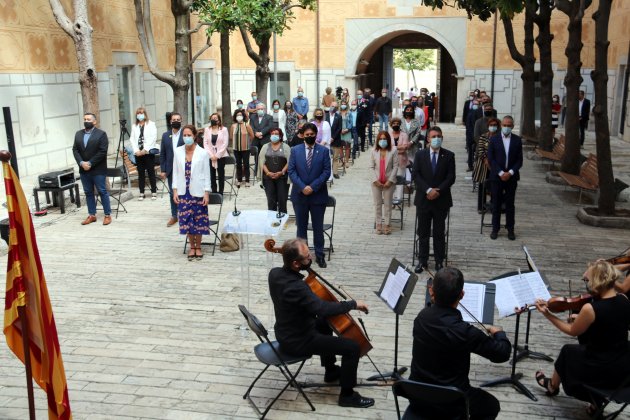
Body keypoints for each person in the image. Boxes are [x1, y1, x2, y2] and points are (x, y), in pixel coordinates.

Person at [268, 238, 374, 408]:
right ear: (295, 264)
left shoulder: (274, 274)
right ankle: (347, 396)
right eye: (307, 258)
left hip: (285, 331)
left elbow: (317, 310)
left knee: (324, 323)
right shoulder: (297, 287)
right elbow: (322, 308)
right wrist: (353, 304)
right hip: (299, 340)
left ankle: (331, 370)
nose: (310, 259)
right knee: (352, 348)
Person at [409, 267, 511, 420]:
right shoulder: (466, 333)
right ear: (462, 295)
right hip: (451, 401)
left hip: (417, 394)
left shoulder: (421, 318)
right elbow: (502, 354)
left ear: (431, 292)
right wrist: (499, 333)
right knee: (491, 406)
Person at [534, 260, 630, 414]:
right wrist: (583, 319)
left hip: (601, 368)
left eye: (588, 280)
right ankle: (595, 404)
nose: (587, 283)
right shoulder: (624, 300)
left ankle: (552, 386)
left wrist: (547, 314)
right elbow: (611, 322)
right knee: (582, 345)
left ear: (598, 281)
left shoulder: (590, 308)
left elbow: (572, 331)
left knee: (568, 351)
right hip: (623, 369)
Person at [288, 122, 331, 268]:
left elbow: (326, 172)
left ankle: (319, 255)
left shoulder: (323, 151)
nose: (310, 137)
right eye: (307, 135)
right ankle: (302, 256)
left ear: (316, 135)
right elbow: (292, 171)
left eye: (312, 135)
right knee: (301, 227)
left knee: (318, 227)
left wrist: (312, 187)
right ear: (303, 136)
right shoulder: (295, 150)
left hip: (317, 195)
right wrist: (302, 187)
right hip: (300, 195)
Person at [413, 126, 455, 273]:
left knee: (439, 232)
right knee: (423, 232)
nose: (437, 138)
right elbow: (416, 175)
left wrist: (438, 190)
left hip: (441, 200)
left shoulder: (449, 156)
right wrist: (428, 190)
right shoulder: (420, 155)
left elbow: (451, 177)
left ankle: (439, 261)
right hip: (424, 199)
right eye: (434, 136)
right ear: (428, 139)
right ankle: (422, 261)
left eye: (439, 136)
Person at [172, 125, 211, 261]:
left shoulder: (203, 153)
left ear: (194, 136)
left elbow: (207, 174)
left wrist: (206, 193)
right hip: (184, 190)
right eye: (185, 135)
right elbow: (175, 173)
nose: (186, 138)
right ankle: (191, 246)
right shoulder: (177, 152)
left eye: (189, 135)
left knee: (199, 219)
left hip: (198, 190)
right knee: (187, 219)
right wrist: (175, 190)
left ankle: (198, 246)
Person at [72, 112, 112, 226]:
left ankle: (107, 215)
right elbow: (75, 150)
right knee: (88, 192)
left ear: (94, 121)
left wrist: (90, 163)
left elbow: (102, 151)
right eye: (85, 119)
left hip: (97, 169)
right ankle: (92, 215)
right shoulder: (78, 134)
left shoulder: (101, 134)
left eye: (89, 119)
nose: (86, 121)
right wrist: (81, 163)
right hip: (84, 170)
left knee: (102, 191)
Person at [487, 115, 523, 241]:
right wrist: (501, 173)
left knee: (510, 204)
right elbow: (491, 159)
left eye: (509, 125)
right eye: (504, 125)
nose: (506, 127)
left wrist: (510, 172)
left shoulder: (517, 140)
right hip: (497, 177)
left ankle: (510, 229)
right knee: (496, 203)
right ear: (501, 125)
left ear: (512, 126)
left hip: (511, 178)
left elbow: (520, 160)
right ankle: (495, 229)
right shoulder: (494, 139)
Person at [370, 131, 398, 235]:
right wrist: (375, 180)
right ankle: (378, 224)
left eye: (384, 139)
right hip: (376, 182)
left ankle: (387, 224)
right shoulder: (373, 151)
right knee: (377, 204)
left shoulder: (393, 150)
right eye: (380, 139)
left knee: (387, 204)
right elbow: (371, 167)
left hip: (388, 182)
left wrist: (390, 181)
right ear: (377, 141)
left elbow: (395, 166)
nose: (383, 141)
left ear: (388, 140)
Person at [258, 128, 291, 214]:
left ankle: (282, 220)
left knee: (282, 200)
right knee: (271, 201)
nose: (274, 135)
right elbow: (261, 161)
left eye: (276, 134)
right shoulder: (265, 147)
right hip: (268, 178)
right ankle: (272, 223)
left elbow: (290, 162)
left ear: (280, 136)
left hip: (282, 177)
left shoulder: (286, 147)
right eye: (272, 133)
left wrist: (282, 172)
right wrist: (268, 173)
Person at [160, 112, 184, 227]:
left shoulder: (185, 134)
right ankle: (174, 215)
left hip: (184, 168)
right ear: (170, 121)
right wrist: (163, 170)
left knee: (183, 191)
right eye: (174, 119)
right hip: (170, 169)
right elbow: (163, 154)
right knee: (172, 193)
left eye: (178, 119)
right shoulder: (165, 135)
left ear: (181, 121)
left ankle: (184, 213)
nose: (176, 121)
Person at [130, 107, 159, 200]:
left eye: (141, 113)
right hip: (138, 153)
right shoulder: (134, 126)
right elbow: (132, 139)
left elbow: (153, 137)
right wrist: (136, 150)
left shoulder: (151, 124)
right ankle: (141, 192)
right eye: (138, 113)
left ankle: (154, 191)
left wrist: (145, 150)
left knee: (151, 172)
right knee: (141, 173)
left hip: (148, 153)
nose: (140, 115)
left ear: (145, 114)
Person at [473, 118, 499, 213]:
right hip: (483, 165)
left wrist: (493, 163)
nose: (493, 127)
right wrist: (486, 161)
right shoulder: (483, 137)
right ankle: (481, 207)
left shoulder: (499, 137)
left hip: (495, 165)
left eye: (494, 125)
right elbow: (480, 150)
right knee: (482, 186)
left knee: (494, 186)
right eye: (491, 125)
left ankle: (493, 206)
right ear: (488, 126)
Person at [203, 113, 229, 195]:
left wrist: (217, 155)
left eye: (216, 118)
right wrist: (211, 155)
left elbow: (225, 143)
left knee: (221, 174)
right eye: (212, 118)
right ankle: (214, 191)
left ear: (219, 120)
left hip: (221, 156)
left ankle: (221, 192)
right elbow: (205, 143)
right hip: (210, 156)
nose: (214, 120)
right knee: (211, 174)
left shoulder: (224, 129)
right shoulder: (207, 129)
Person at [230, 108, 254, 187]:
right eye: (237, 115)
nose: (239, 116)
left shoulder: (247, 125)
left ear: (243, 116)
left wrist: (246, 142)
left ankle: (247, 180)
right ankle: (239, 179)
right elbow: (231, 137)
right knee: (238, 164)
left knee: (246, 164)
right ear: (235, 117)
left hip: (246, 149)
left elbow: (252, 136)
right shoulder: (233, 126)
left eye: (240, 115)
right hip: (236, 149)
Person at [388, 117, 410, 200]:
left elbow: (405, 148)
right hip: (390, 161)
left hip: (402, 160)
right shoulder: (388, 135)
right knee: (392, 179)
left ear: (400, 125)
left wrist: (394, 148)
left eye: (397, 123)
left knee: (400, 180)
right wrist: (399, 148)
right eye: (394, 123)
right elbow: (387, 148)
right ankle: (392, 199)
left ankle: (399, 198)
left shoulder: (404, 135)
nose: (396, 125)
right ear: (391, 125)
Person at [250, 103, 274, 175]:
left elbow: (269, 127)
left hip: (265, 139)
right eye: (258, 109)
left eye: (261, 109)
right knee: (256, 156)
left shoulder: (269, 117)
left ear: (264, 109)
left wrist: (261, 133)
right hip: (256, 140)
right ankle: (257, 171)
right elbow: (251, 127)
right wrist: (256, 133)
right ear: (256, 110)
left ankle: (265, 171)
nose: (260, 110)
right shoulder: (252, 117)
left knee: (265, 156)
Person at [472, 102, 495, 172]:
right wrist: (485, 145)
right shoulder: (478, 122)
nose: (488, 111)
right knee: (480, 171)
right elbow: (476, 136)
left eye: (489, 109)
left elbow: (499, 135)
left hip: (494, 149)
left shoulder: (497, 122)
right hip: (481, 149)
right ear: (484, 110)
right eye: (486, 109)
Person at [327, 101, 343, 178]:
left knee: (335, 157)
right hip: (326, 140)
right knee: (327, 158)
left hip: (336, 140)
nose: (333, 107)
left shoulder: (339, 116)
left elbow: (339, 128)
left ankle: (335, 172)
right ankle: (327, 173)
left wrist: (333, 137)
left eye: (335, 107)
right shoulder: (325, 116)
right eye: (332, 106)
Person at [339, 100, 353, 167]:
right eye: (342, 104)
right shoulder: (338, 113)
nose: (343, 105)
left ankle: (347, 161)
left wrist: (347, 129)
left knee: (347, 147)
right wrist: (340, 130)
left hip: (347, 131)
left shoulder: (349, 113)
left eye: (344, 104)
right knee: (340, 147)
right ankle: (342, 161)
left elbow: (351, 122)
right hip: (340, 132)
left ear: (346, 105)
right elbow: (337, 122)